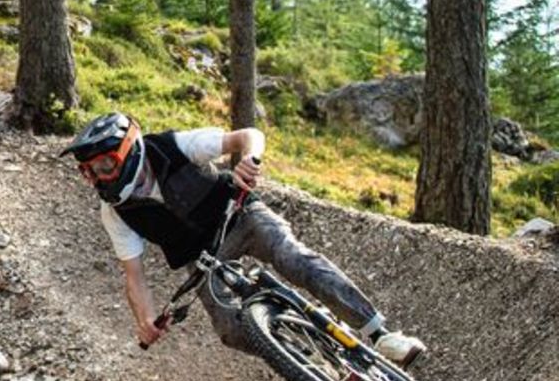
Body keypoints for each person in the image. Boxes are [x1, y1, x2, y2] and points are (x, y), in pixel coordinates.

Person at [61, 112, 427, 367]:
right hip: (201, 258)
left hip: (240, 215)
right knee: (229, 330)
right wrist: (144, 319)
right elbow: (134, 274)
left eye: (104, 165)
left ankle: (380, 335)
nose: (97, 178)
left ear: (127, 150)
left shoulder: (171, 145)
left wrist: (250, 158)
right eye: (88, 172)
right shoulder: (114, 212)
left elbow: (248, 135)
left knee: (293, 258)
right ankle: (306, 359)